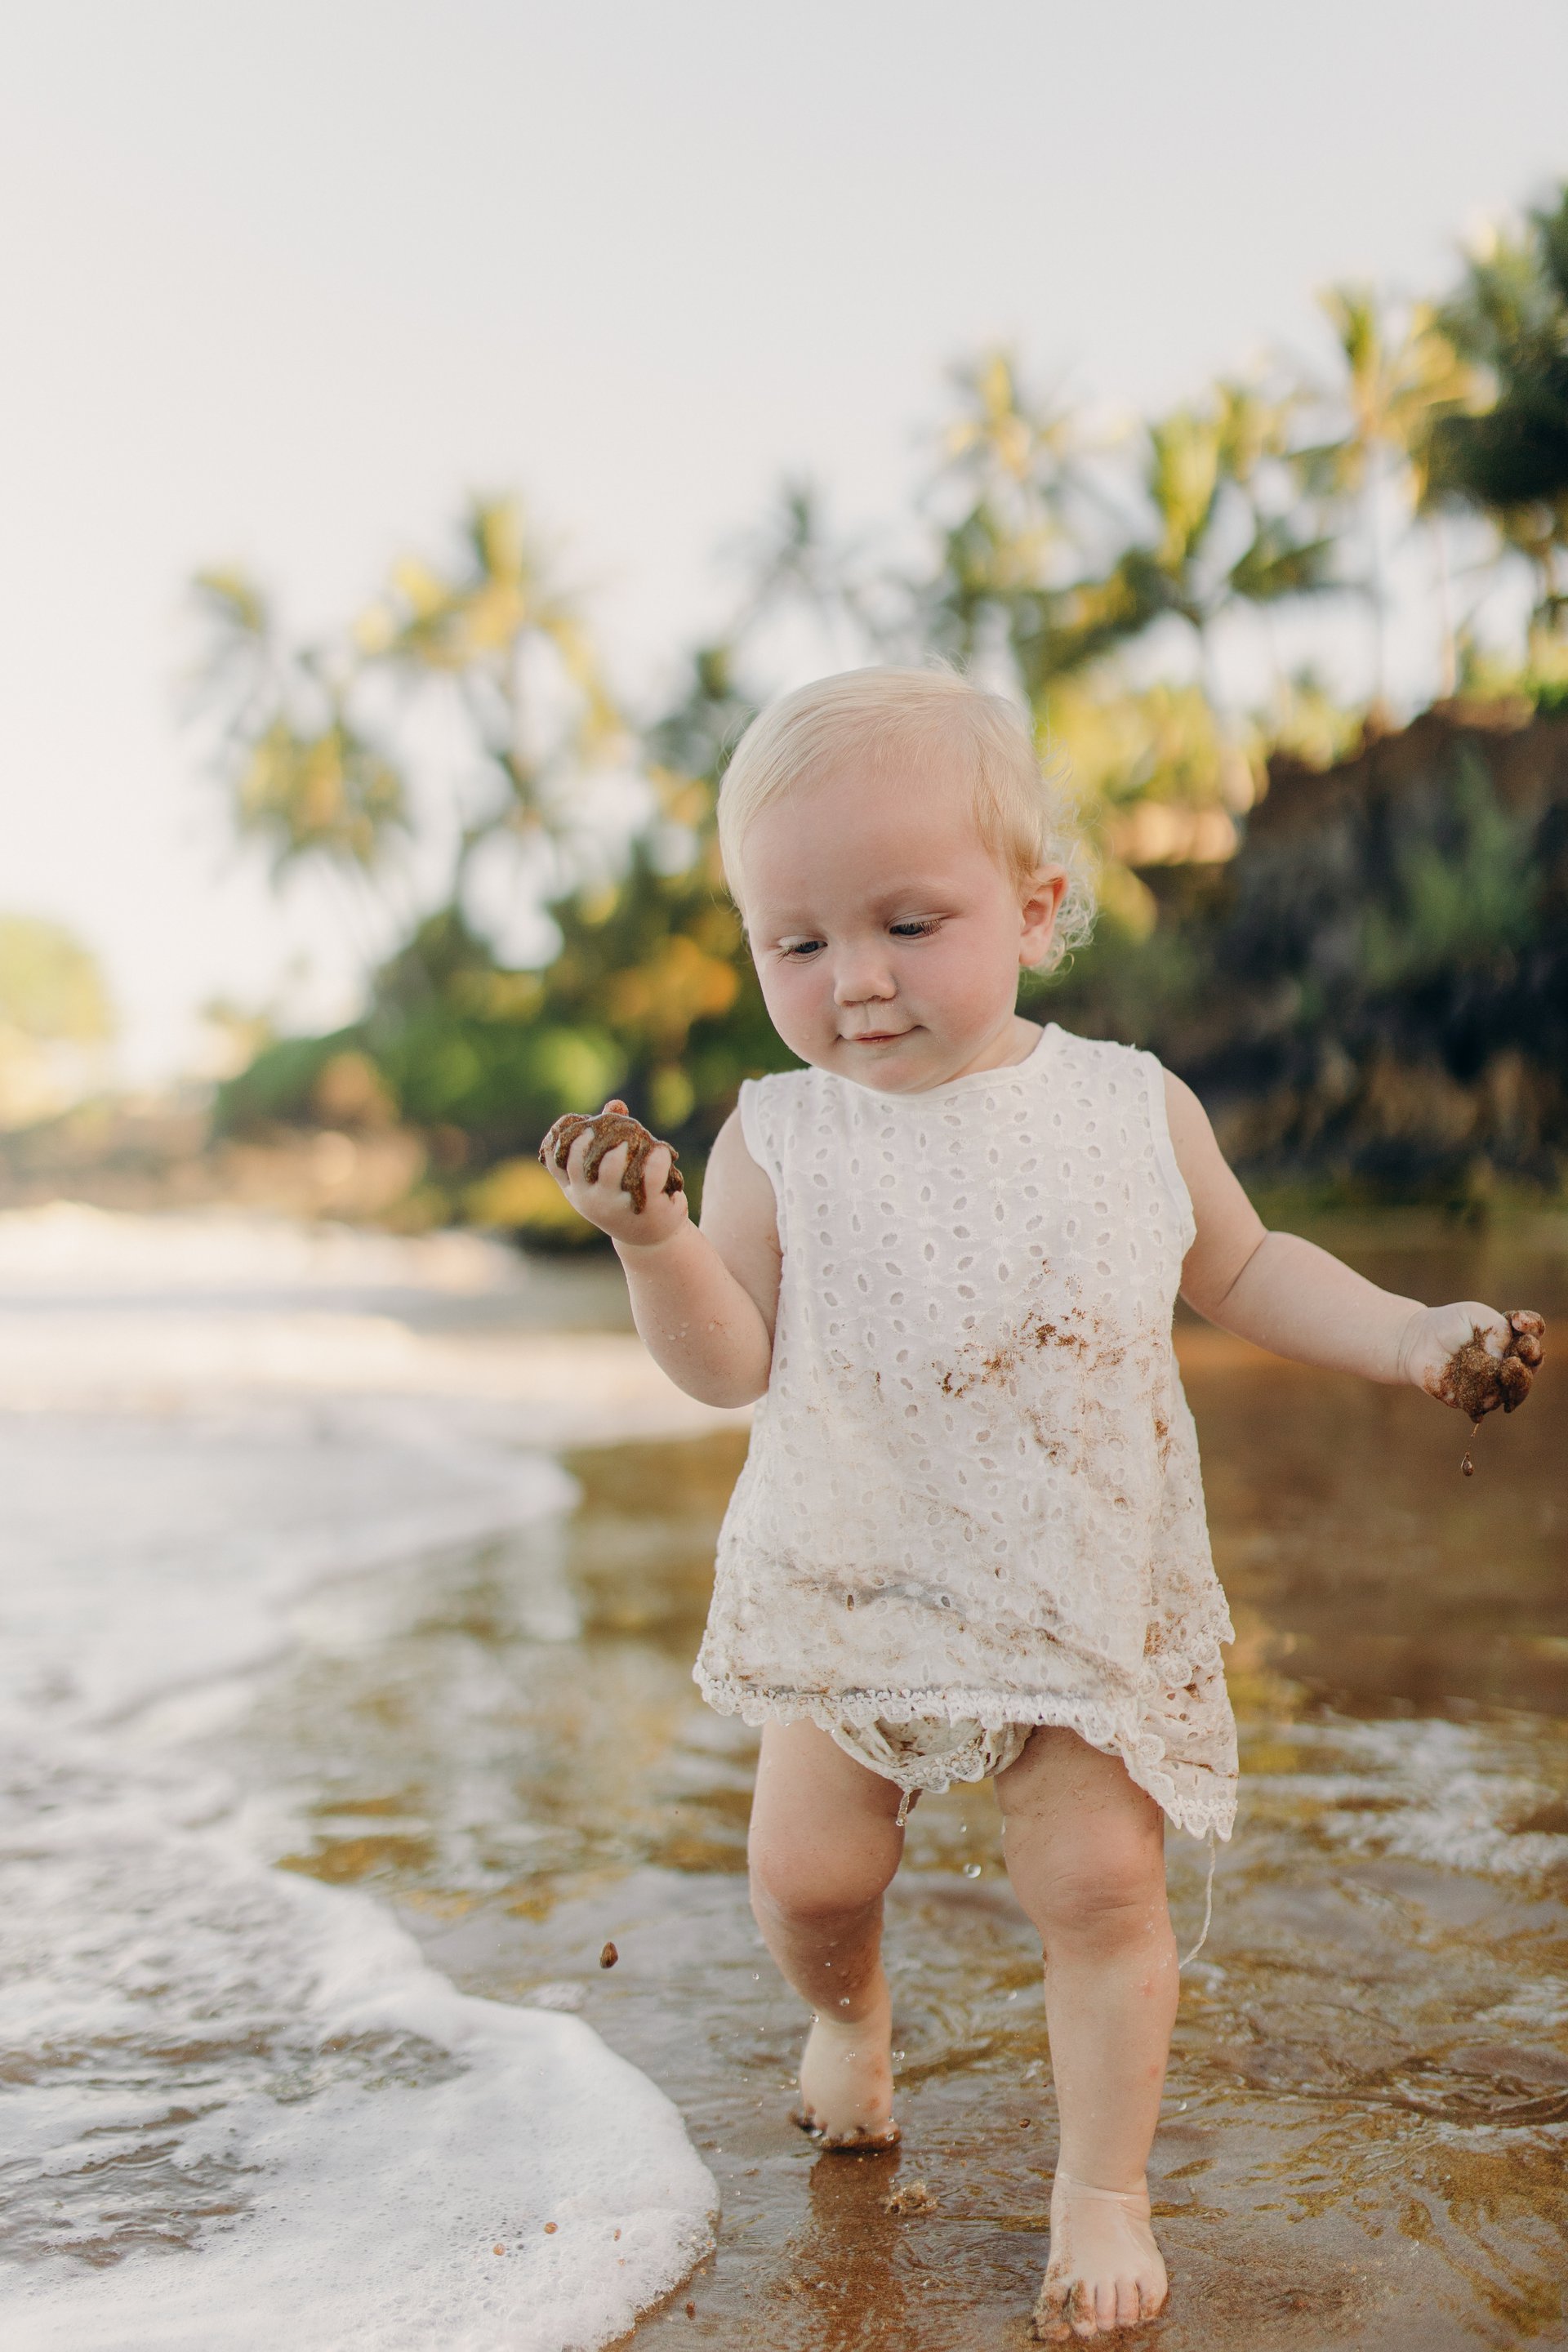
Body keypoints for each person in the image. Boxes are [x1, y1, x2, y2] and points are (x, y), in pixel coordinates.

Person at [540, 666, 1544, 2342]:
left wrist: (1415, 1336)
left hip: (1079, 1578)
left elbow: (1246, 1265)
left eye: (907, 925)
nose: (853, 980)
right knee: (803, 1878)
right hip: (856, 1571)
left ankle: (1103, 2194)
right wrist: (652, 1244)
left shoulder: (1126, 1105)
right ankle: (851, 2026)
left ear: (1037, 901)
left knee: (1096, 1891)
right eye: (796, 943)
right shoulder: (775, 1137)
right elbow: (729, 1365)